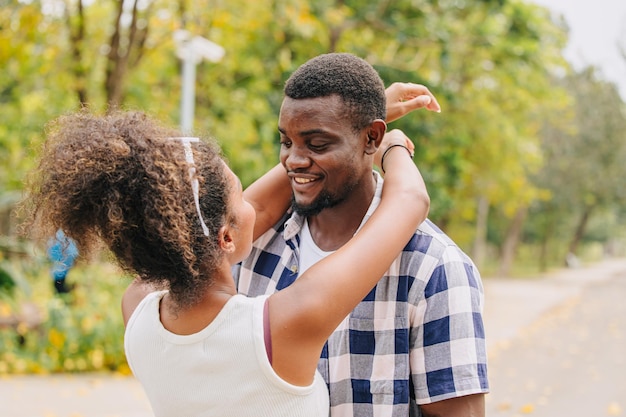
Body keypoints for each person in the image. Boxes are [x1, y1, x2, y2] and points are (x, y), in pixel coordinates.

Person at [23, 109, 429, 417]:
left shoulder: (137, 311)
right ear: (226, 237)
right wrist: (390, 146)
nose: (251, 203)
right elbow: (408, 201)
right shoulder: (279, 327)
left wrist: (349, 127)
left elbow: (242, 214)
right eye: (239, 196)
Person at [234, 52, 489, 417]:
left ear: (373, 137)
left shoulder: (434, 269)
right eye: (286, 142)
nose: (293, 160)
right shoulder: (253, 246)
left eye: (317, 144)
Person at [47, 229, 79, 294]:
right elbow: (73, 252)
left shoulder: (60, 236)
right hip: (60, 271)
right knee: (61, 290)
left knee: (61, 290)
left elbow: (51, 252)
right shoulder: (62, 236)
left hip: (61, 271)